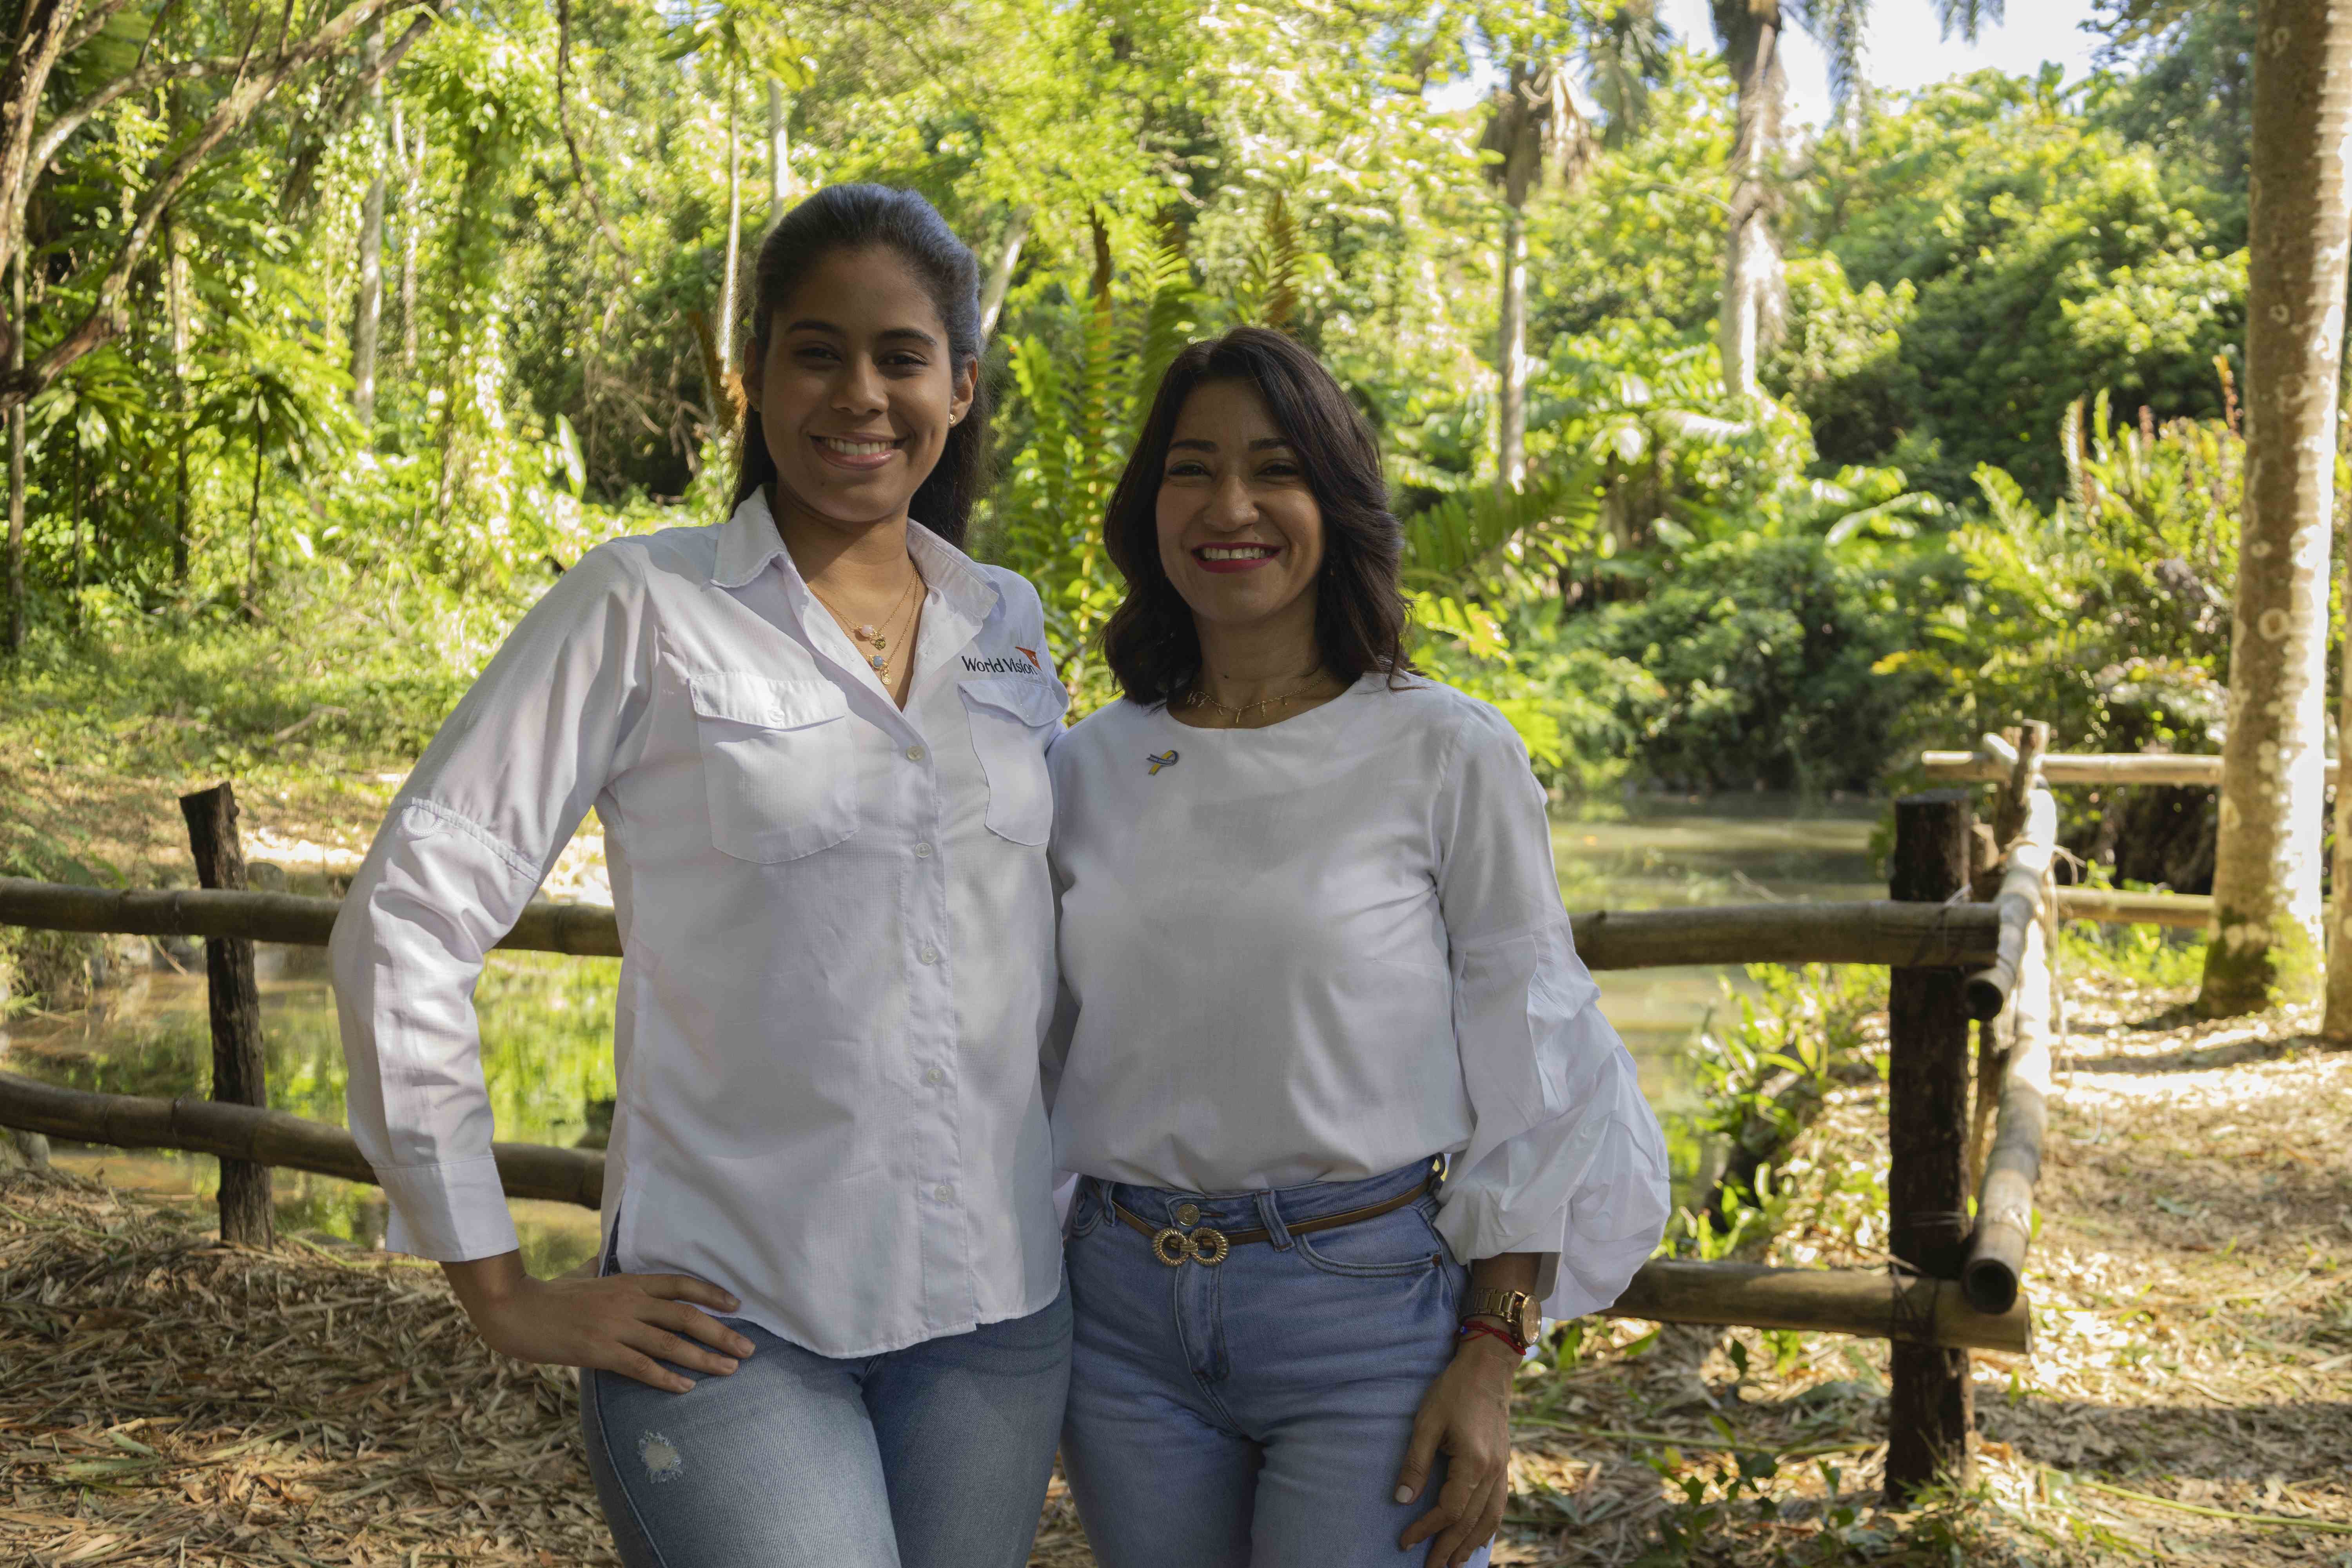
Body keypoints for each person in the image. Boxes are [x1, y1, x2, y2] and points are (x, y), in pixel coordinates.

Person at [330, 184, 1073, 1568]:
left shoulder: (1008, 630)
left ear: (961, 388)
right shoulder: (642, 605)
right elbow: (409, 917)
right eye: (816, 350)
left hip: (999, 1323)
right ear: (753, 378)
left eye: (902, 356)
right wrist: (493, 1282)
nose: (860, 393)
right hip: (733, 1324)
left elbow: (1053, 959)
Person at [1045, 327, 1671, 1568]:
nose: (1231, 508)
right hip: (1120, 1323)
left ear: (1334, 502)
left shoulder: (1448, 751)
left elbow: (1533, 1065)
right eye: (1191, 469)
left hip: (1366, 1316)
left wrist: (1490, 1358)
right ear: (1148, 507)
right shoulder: (1084, 765)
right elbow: (1029, 1053)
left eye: (1273, 469)